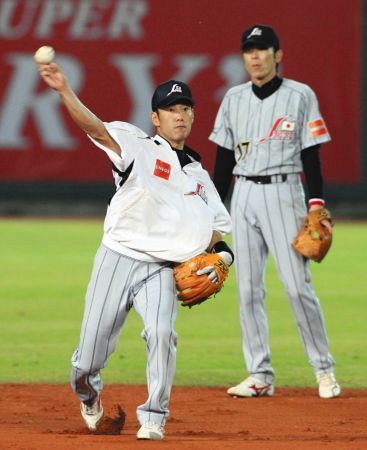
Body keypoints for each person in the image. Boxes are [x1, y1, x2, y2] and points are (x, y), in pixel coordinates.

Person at [38, 63, 233, 439]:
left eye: (186, 109)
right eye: (172, 109)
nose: (180, 115)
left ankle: (154, 417)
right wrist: (64, 91)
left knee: (162, 333)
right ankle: (88, 395)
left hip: (162, 269)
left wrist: (225, 256)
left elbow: (216, 231)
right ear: (155, 118)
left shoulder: (199, 175)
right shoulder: (136, 146)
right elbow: (93, 127)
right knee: (89, 356)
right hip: (118, 257)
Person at [209, 24, 341, 399]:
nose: (255, 56)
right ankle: (259, 374)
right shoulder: (233, 98)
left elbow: (310, 152)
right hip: (244, 193)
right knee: (248, 290)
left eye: (262, 48)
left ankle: (323, 369)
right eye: (249, 50)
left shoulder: (300, 95)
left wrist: (315, 202)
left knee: (298, 287)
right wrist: (215, 212)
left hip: (285, 191)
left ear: (277, 55)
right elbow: (222, 159)